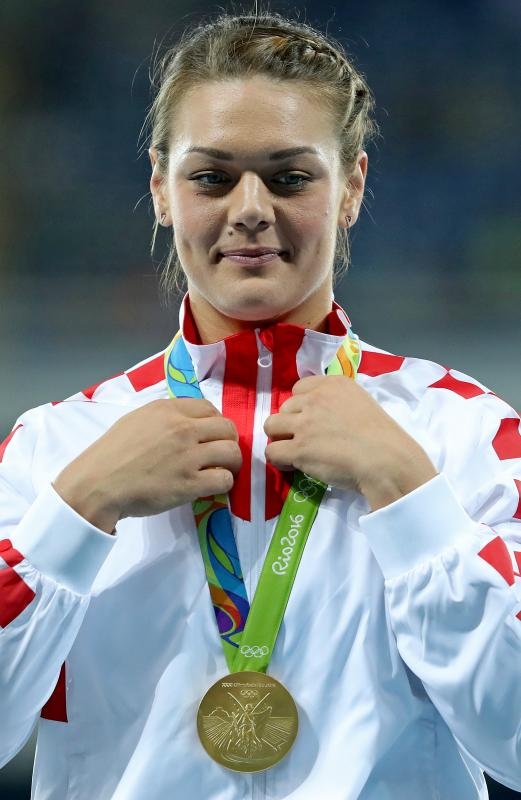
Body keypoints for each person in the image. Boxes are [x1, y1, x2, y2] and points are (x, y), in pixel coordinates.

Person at [0, 9, 520, 799]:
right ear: (160, 190)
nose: (249, 207)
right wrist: (79, 506)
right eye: (211, 176)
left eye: (289, 176)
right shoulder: (53, 448)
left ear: (350, 187)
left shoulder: (468, 432)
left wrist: (411, 498)